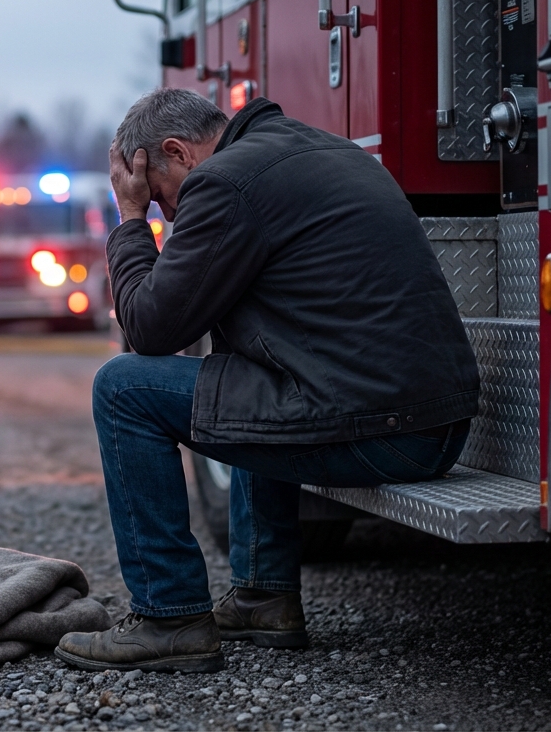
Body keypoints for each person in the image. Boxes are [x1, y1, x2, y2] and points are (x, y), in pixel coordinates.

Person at [55, 89, 479, 674]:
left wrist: (129, 222)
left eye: (159, 197)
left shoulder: (224, 183)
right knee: (242, 374)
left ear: (176, 152)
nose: (167, 216)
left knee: (124, 389)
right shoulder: (320, 149)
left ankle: (169, 618)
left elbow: (150, 330)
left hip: (385, 431)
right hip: (431, 422)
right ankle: (262, 596)